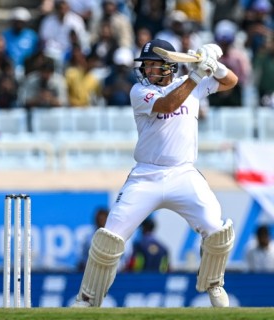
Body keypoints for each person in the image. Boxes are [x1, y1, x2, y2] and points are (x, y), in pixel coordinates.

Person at [71, 38, 238, 308]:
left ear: (170, 66)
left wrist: (213, 64)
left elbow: (231, 81)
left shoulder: (191, 84)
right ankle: (88, 299)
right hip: (146, 176)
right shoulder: (139, 91)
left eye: (153, 65)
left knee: (216, 230)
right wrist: (197, 74)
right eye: (146, 65)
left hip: (184, 174)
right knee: (109, 238)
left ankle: (214, 284)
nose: (148, 71)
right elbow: (168, 105)